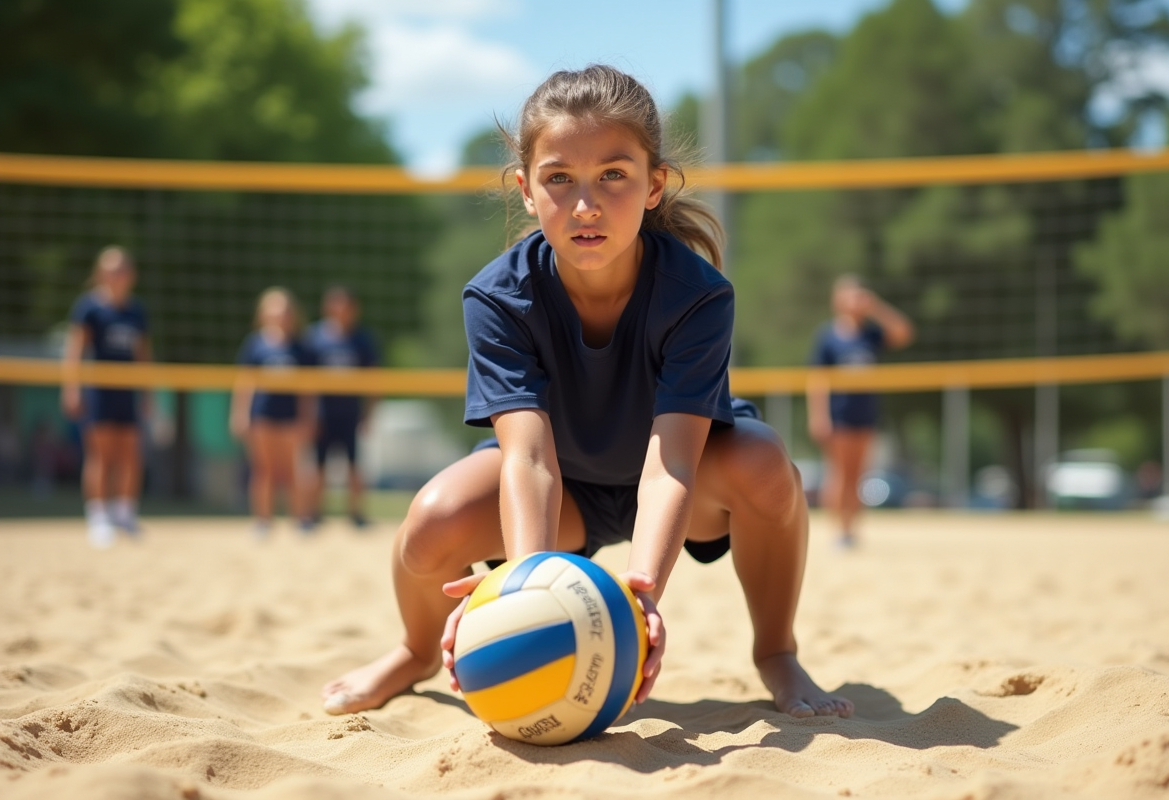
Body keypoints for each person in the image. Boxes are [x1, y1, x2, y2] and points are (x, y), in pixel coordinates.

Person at [322, 65, 854, 721]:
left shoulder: (698, 294)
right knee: (432, 517)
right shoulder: (499, 296)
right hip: (562, 485)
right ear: (524, 188)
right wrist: (525, 595)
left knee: (766, 465)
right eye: (559, 179)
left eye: (613, 175)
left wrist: (643, 600)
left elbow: (672, 465)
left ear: (654, 183)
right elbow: (530, 459)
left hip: (683, 487)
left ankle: (777, 652)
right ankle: (413, 650)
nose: (586, 205)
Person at [807, 276, 914, 549]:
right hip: (838, 413)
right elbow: (817, 379)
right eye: (851, 295)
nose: (856, 300)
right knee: (839, 473)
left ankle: (851, 531)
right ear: (838, 301)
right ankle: (837, 531)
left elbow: (904, 332)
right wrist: (819, 416)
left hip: (865, 412)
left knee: (858, 474)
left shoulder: (870, 334)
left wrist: (876, 307)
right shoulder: (828, 335)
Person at [61, 246, 152, 548]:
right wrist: (71, 388)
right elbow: (75, 351)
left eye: (123, 270)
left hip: (127, 392)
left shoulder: (136, 310)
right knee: (101, 455)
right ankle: (98, 517)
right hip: (99, 391)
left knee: (130, 456)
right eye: (112, 270)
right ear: (101, 274)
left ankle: (124, 513)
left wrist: (148, 393)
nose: (118, 276)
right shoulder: (89, 307)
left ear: (132, 276)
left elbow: (143, 355)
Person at [230, 287, 315, 538]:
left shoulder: (300, 346)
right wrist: (240, 414)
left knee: (293, 470)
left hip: (290, 416)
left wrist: (306, 418)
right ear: (264, 313)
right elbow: (245, 382)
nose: (281, 315)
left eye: (286, 310)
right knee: (263, 469)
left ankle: (301, 521)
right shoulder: (255, 343)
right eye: (276, 309)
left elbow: (307, 389)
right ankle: (263, 521)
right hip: (262, 415)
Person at [305, 286, 380, 528]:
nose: (341, 310)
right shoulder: (314, 338)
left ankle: (356, 514)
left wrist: (369, 415)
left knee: (354, 466)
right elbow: (304, 381)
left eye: (345, 305)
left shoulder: (362, 339)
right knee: (317, 466)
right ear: (327, 308)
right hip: (322, 413)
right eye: (336, 305)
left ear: (353, 310)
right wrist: (307, 414)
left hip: (350, 414)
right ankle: (313, 515)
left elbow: (374, 381)